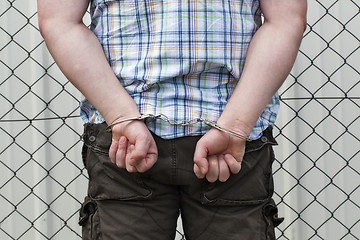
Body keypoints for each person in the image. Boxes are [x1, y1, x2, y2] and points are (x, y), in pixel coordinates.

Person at [38, 0, 307, 239]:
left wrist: (235, 127)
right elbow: (59, 20)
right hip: (129, 141)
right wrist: (121, 118)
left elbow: (286, 19)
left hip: (227, 142)